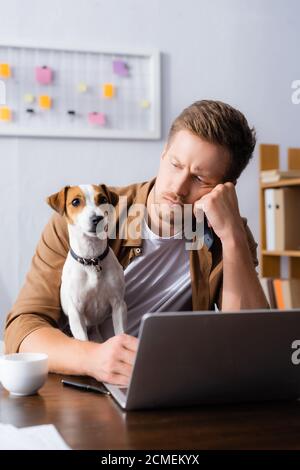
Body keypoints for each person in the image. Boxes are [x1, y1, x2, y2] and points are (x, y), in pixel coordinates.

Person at [4, 100, 269, 387]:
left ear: (224, 189)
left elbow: (252, 344)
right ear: (163, 153)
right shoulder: (80, 219)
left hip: (160, 385)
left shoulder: (225, 235)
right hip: (77, 384)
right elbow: (23, 327)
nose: (178, 188)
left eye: (199, 178)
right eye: (175, 164)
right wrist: (93, 359)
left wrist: (232, 236)